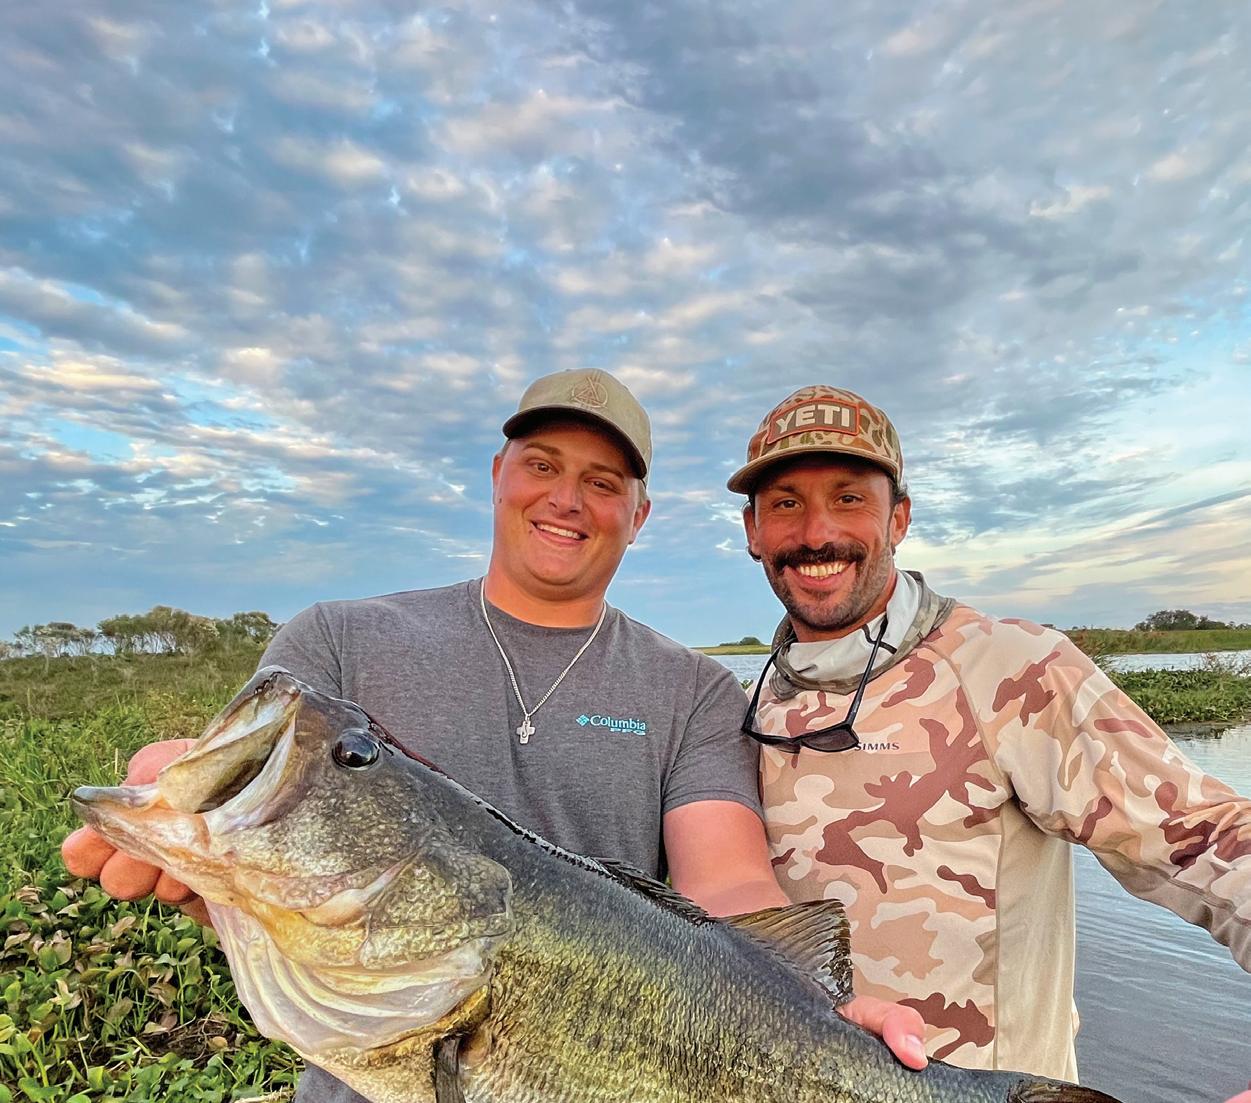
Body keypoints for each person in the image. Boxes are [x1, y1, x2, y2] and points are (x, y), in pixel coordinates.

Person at [63, 369, 927, 1103]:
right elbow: (263, 850)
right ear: (496, 475)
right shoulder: (336, 641)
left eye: (602, 482)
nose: (566, 499)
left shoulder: (691, 687)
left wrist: (815, 1017)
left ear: (638, 513)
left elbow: (727, 883)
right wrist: (202, 841)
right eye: (542, 465)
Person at [728, 384, 1251, 1081]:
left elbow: (1208, 837)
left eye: (849, 498)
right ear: (752, 531)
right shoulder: (744, 705)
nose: (816, 533)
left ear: (898, 518)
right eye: (786, 504)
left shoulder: (1012, 667)